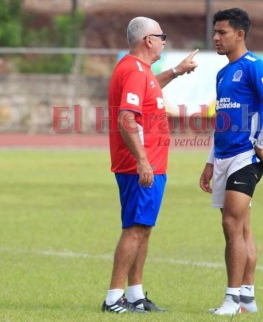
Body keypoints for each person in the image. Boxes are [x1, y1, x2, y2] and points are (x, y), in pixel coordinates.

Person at [102, 16, 198, 313]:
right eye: (161, 36)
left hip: (151, 165)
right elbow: (126, 118)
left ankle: (135, 295)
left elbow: (149, 88)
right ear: (148, 40)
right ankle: (113, 299)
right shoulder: (133, 70)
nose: (164, 41)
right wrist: (143, 161)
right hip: (139, 167)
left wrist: (177, 71)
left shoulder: (140, 71)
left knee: (143, 227)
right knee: (134, 228)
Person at [199, 8, 263, 315]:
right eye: (215, 32)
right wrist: (210, 162)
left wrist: (261, 143)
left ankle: (232, 299)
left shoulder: (254, 66)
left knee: (230, 223)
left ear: (240, 34)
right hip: (223, 157)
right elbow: (222, 122)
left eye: (222, 32)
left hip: (245, 157)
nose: (216, 38)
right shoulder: (223, 74)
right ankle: (247, 296)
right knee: (243, 228)